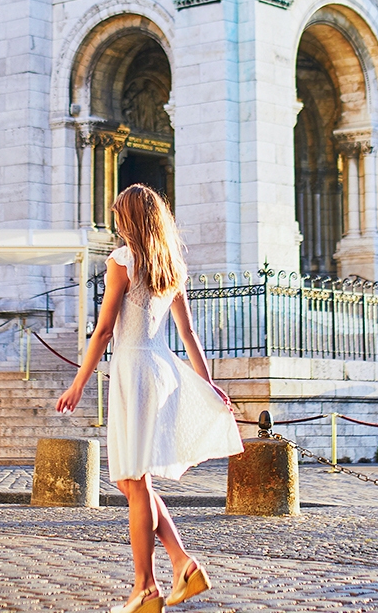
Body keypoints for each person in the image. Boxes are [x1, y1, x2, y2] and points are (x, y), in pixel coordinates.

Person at [56, 184, 244, 613]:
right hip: (162, 370)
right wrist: (207, 381)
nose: (116, 222)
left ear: (130, 220)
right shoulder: (170, 265)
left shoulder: (123, 260)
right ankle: (182, 565)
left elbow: (104, 330)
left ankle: (145, 588)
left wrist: (79, 382)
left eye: (119, 214)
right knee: (131, 480)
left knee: (135, 481)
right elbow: (189, 333)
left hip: (133, 371)